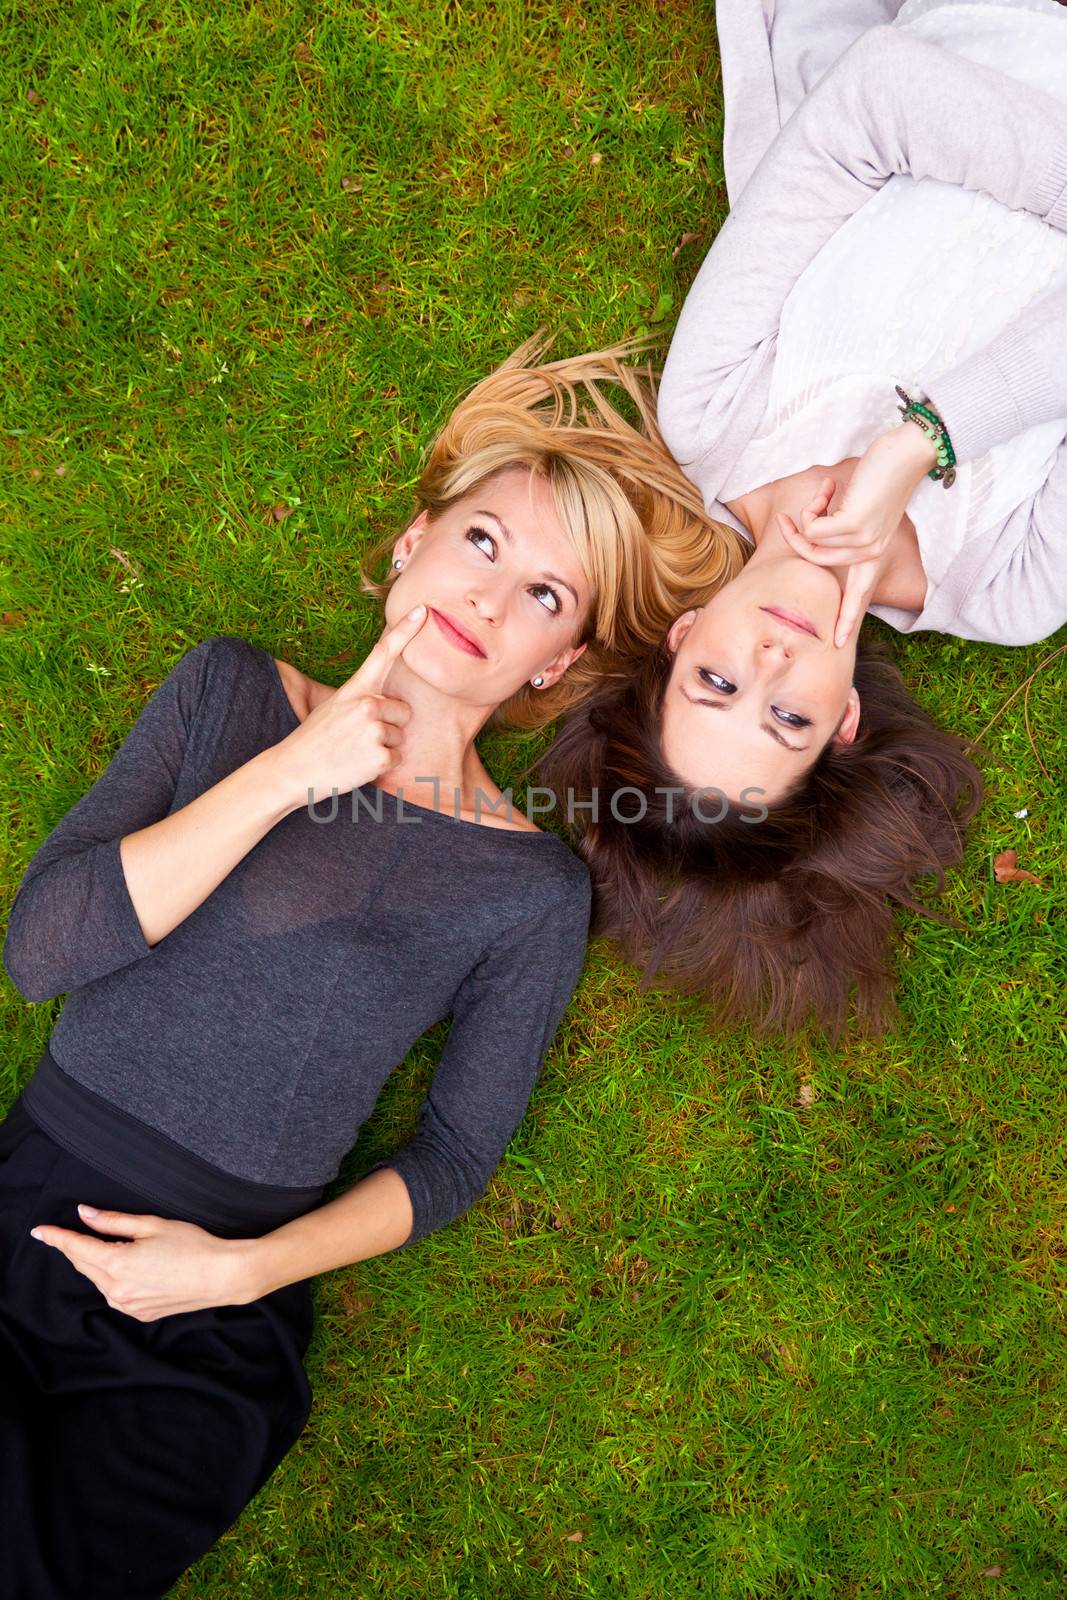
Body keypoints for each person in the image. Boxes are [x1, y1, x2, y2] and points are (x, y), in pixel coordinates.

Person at [0, 338, 739, 1599]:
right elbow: (42, 951)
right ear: (414, 544)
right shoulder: (231, 696)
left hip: (208, 1319)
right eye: (484, 544)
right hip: (22, 1221)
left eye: (547, 599)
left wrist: (235, 1271)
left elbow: (453, 1153)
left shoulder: (528, 892)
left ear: (549, 667)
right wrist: (293, 773)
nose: (494, 599)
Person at [540, 1, 1067, 1036]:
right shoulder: (1011, 585)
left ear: (681, 636)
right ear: (844, 723)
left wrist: (916, 444)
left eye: (718, 683)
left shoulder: (715, 413)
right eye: (786, 718)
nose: (772, 664)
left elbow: (875, 100)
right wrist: (916, 446)